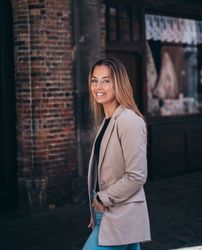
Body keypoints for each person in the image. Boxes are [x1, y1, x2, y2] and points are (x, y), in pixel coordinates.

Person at [83, 57, 151, 250]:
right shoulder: (108, 120)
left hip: (121, 213)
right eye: (94, 80)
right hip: (109, 212)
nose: (98, 87)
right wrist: (95, 211)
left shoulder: (128, 120)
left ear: (118, 84)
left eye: (106, 80)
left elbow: (137, 175)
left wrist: (101, 199)